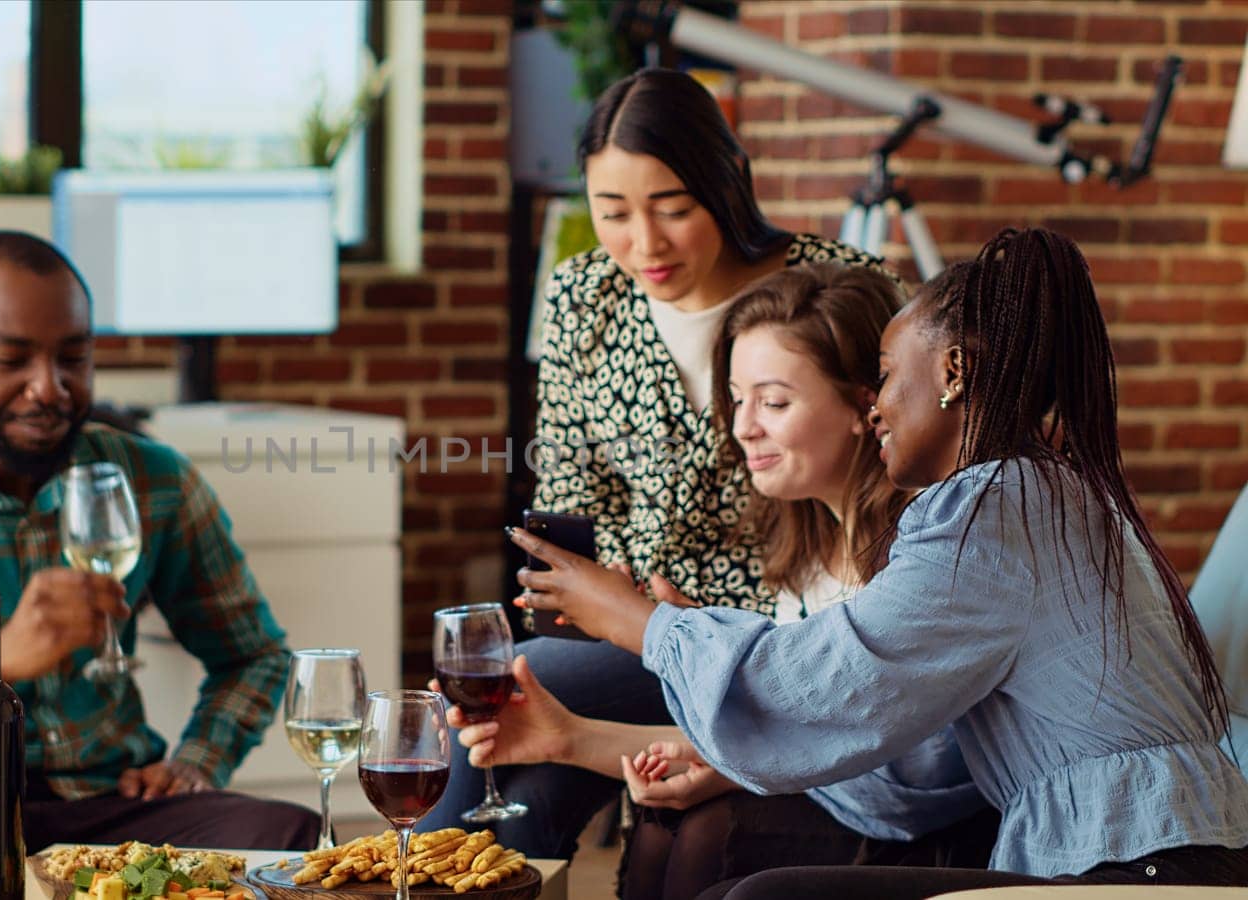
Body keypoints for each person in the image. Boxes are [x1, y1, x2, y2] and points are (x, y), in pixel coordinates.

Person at [511, 228, 1248, 897]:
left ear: (953, 371)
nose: (877, 408)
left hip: (1142, 867)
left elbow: (831, 690)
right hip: (1155, 854)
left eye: (890, 375)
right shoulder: (1040, 494)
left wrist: (642, 623)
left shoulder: (989, 509)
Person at [419, 65, 898, 859]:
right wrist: (595, 598)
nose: (644, 244)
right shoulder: (584, 297)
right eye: (612, 212)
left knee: (528, 686)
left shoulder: (832, 285)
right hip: (627, 628)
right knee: (501, 741)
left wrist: (666, 623)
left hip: (775, 637)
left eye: (673, 209)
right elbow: (571, 489)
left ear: (726, 183)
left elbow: (892, 474)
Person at [0, 231, 318, 898]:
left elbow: (253, 655)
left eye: (74, 357)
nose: (50, 388)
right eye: (11, 359)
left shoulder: (152, 479)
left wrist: (197, 761)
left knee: (289, 840)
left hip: (109, 807)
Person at [456, 263, 996, 898]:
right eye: (737, 399)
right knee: (664, 817)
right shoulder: (808, 553)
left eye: (773, 401)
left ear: (864, 406)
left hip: (940, 823)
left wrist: (644, 626)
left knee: (709, 833)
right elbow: (786, 741)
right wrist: (569, 739)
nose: (744, 427)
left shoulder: (926, 548)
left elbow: (889, 767)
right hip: (868, 801)